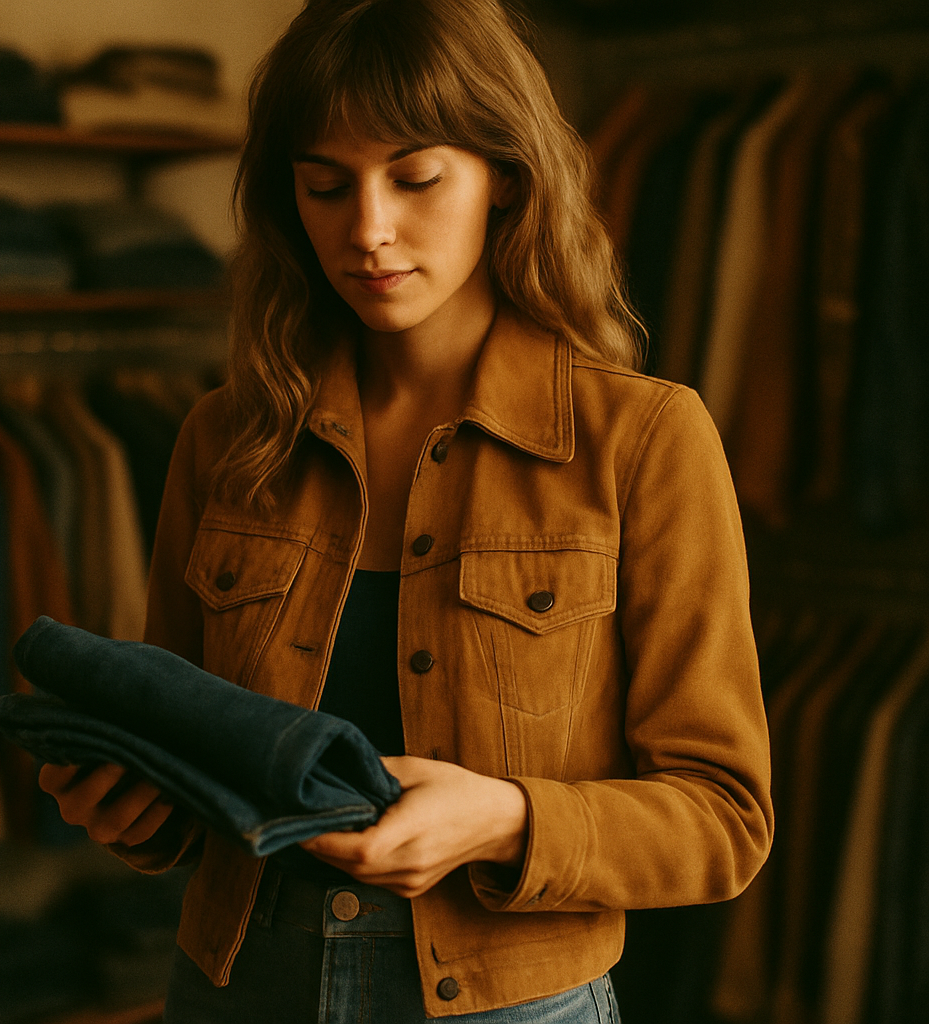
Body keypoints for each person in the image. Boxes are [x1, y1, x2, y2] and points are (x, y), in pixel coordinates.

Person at [39, 1, 774, 1020]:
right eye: (325, 186)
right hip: (235, 991)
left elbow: (723, 818)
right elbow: (193, 753)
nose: (368, 229)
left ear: (503, 178)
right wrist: (131, 808)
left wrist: (505, 819)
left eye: (416, 177)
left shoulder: (642, 438)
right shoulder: (228, 436)